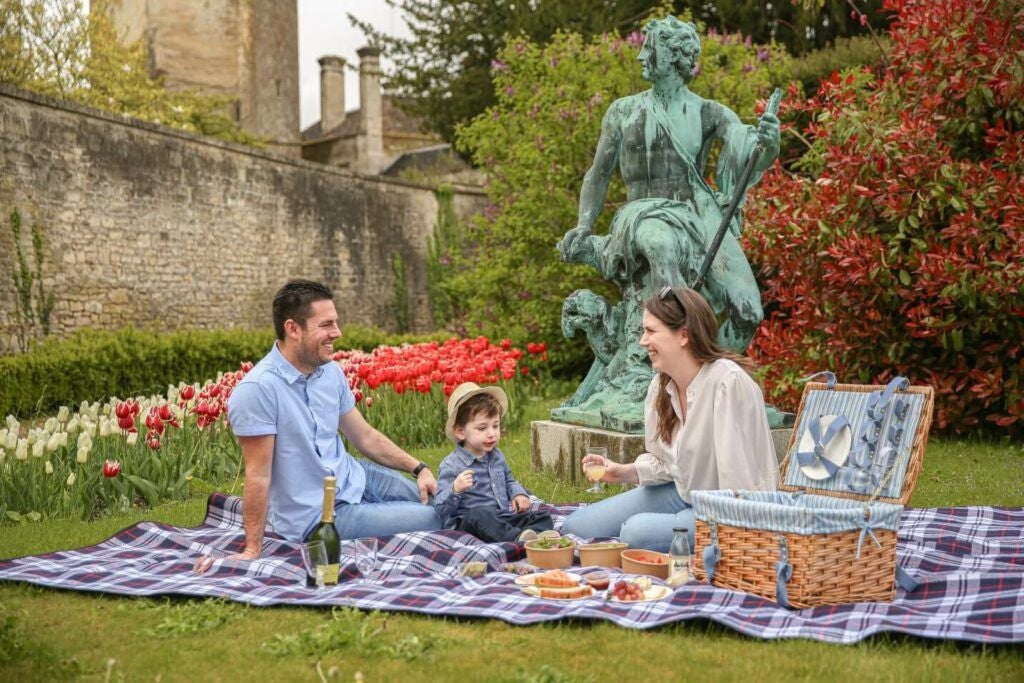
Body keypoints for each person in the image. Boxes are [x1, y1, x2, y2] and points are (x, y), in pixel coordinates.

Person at [551, 17, 781, 431]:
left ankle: (706, 381)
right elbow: (598, 175)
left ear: (674, 56)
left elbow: (748, 150)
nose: (641, 55)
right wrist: (584, 226)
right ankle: (661, 376)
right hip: (641, 215)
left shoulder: (709, 112)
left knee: (748, 309)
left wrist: (768, 140)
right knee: (660, 245)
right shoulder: (623, 111)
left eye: (649, 48)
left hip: (696, 217)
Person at [210, 279, 441, 564]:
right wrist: (252, 550)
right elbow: (258, 475)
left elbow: (365, 436)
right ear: (293, 329)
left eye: (336, 323)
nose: (337, 333)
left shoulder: (329, 373)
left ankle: (508, 516)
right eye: (326, 325)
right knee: (434, 516)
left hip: (355, 477)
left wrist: (419, 468)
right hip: (321, 516)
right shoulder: (258, 390)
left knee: (442, 497)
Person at [560, 287, 777, 552]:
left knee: (636, 531)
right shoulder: (661, 387)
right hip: (683, 494)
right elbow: (669, 463)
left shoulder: (727, 384)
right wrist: (622, 471)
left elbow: (740, 487)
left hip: (731, 513)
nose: (642, 341)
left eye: (651, 331)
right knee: (578, 526)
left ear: (683, 334)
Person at [434, 383, 554, 543]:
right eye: (482, 428)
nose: (492, 434)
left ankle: (532, 537)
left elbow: (508, 480)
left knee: (542, 516)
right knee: (480, 513)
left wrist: (518, 493)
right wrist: (455, 489)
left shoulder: (497, 457)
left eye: (495, 426)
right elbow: (440, 508)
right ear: (461, 432)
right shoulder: (451, 465)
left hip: (501, 518)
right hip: (469, 524)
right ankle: (517, 538)